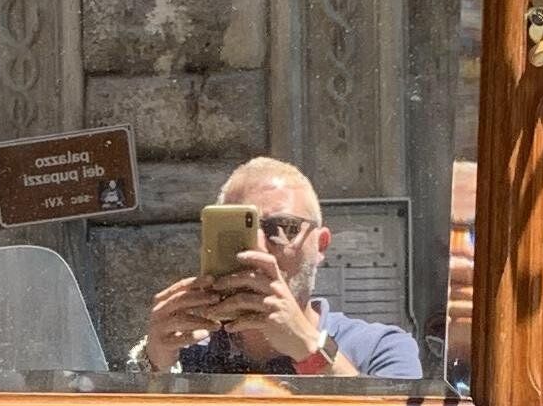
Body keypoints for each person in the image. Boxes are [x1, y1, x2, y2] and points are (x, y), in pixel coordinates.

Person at [132, 157, 424, 382]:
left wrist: (308, 348)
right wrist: (155, 366)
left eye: (283, 228)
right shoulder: (187, 353)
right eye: (239, 231)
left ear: (321, 245)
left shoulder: (379, 349)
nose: (258, 248)